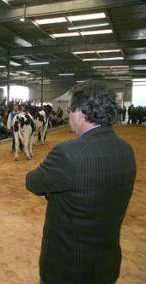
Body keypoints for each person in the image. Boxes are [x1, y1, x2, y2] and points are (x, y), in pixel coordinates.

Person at [26, 81, 136, 284]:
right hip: (106, 266)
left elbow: (33, 182)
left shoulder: (67, 152)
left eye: (70, 110)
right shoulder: (127, 151)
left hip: (67, 269)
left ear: (79, 113)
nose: (68, 116)